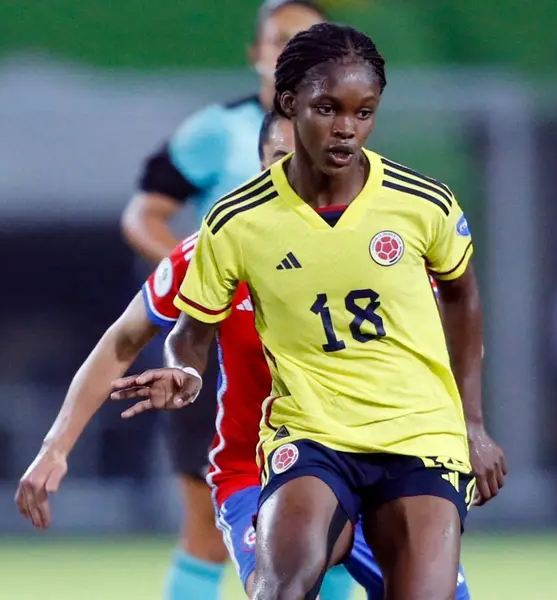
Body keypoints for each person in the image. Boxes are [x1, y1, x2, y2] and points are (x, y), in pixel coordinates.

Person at [111, 23, 506, 599]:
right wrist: (188, 371)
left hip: (418, 437)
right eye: (328, 108)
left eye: (363, 111)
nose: (347, 127)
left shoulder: (424, 204)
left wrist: (472, 423)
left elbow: (462, 294)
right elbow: (192, 331)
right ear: (288, 102)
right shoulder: (238, 221)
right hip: (311, 437)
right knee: (282, 589)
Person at [17, 114, 437, 599]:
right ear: (258, 169)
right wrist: (55, 446)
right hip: (258, 468)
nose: (293, 178)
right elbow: (120, 343)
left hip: (376, 460)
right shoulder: (212, 252)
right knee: (279, 582)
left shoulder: (386, 247)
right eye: (279, 162)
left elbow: (443, 340)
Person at [113, 2, 351, 599]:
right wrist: (199, 283)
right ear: (257, 54)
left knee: (345, 526)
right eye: (280, 40)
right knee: (208, 529)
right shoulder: (217, 129)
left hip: (319, 349)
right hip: (224, 347)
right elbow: (144, 214)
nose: (292, 51)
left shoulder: (341, 131)